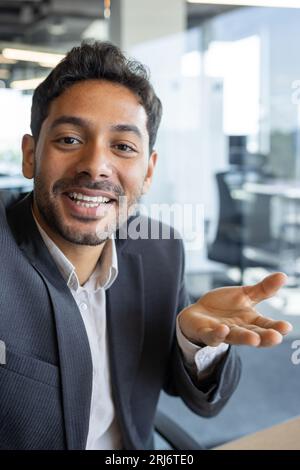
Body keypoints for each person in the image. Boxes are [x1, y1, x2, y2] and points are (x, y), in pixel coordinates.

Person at [0, 41, 292, 450]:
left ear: (149, 171)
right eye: (69, 139)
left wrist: (196, 344)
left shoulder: (159, 250)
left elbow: (202, 401)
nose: (96, 165)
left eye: (123, 147)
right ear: (30, 156)